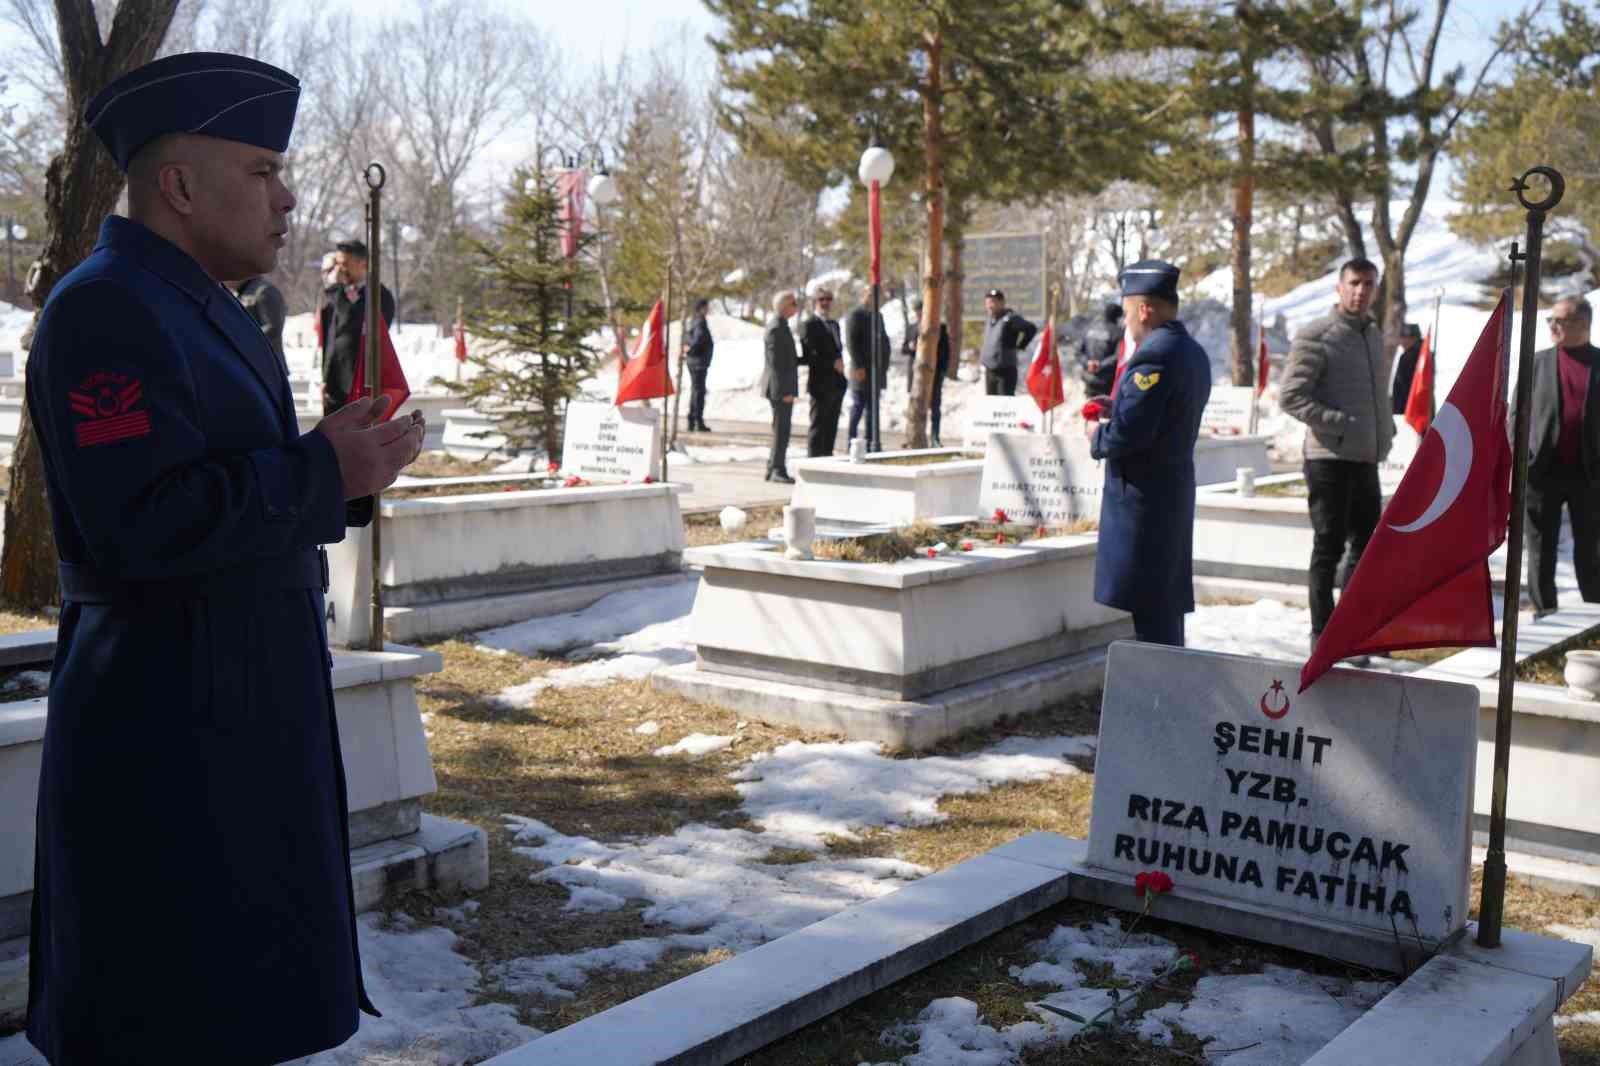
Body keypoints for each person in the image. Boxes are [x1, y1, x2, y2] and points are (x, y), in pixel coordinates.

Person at [25, 51, 426, 1066]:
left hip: (235, 705)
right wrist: (315, 474)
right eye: (261, 171)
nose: (287, 198)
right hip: (165, 725)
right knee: (170, 1007)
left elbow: (233, 476)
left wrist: (340, 460)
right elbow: (138, 523)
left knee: (235, 1003)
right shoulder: (105, 306)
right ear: (179, 183)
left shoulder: (208, 303)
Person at [1086, 260, 1211, 647]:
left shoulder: (1154, 355)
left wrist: (1097, 435)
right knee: (1163, 610)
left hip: (1145, 501)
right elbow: (1163, 414)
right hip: (1169, 494)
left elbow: (1131, 435)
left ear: (1143, 310)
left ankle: (1159, 701)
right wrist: (1118, 405)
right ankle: (1167, 695)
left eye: (1126, 313)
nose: (1126, 324)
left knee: (1151, 617)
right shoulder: (1190, 351)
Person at [1279, 257, 1393, 652]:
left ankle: (1355, 631)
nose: (1361, 291)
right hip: (1328, 458)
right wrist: (1339, 422)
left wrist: (1385, 430)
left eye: (1369, 284)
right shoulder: (1317, 335)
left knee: (1366, 549)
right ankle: (1322, 633)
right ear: (1339, 288)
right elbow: (1291, 397)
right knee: (1328, 547)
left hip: (1365, 458)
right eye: (1354, 283)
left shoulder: (1373, 335)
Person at [1521, 296, 1600, 616]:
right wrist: (1521, 456)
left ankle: (1594, 615)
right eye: (1550, 320)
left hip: (1590, 476)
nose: (1552, 326)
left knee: (1591, 550)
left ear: (1583, 324)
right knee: (1540, 549)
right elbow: (1517, 414)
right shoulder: (1537, 362)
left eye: (1560, 321)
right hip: (1542, 473)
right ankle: (1544, 612)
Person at [319, 238, 395, 414]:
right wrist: (325, 377)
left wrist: (339, 291)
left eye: (344, 263)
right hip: (334, 382)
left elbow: (355, 329)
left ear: (363, 263)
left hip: (360, 380)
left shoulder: (379, 295)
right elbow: (331, 337)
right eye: (337, 263)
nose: (340, 269)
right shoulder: (338, 293)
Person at [799, 287, 847, 456]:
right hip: (820, 384)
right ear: (815, 302)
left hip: (837, 384)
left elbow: (837, 350)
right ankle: (813, 461)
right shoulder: (809, 324)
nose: (826, 303)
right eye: (822, 300)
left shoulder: (834, 324)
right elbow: (810, 356)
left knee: (831, 426)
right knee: (818, 426)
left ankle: (828, 459)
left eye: (828, 299)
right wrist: (832, 363)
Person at [845, 283, 891, 444]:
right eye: (873, 295)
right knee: (858, 406)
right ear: (866, 295)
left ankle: (872, 441)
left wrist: (884, 367)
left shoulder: (878, 316)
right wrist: (859, 366)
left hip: (876, 371)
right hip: (862, 370)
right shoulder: (855, 314)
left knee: (873, 410)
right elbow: (852, 343)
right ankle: (851, 441)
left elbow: (884, 342)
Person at [761, 289, 800, 482]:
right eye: (793, 303)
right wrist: (784, 390)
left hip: (781, 387)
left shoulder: (782, 325)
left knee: (782, 429)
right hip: (779, 388)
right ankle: (777, 469)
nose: (796, 307)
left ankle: (773, 467)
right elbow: (776, 364)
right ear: (784, 306)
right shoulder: (776, 327)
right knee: (781, 430)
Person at [902, 297, 951, 446]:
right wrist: (910, 347)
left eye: (920, 311)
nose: (918, 315)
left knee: (935, 406)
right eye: (916, 312)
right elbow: (903, 349)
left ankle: (935, 437)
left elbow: (946, 352)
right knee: (915, 405)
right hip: (916, 374)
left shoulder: (939, 327)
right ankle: (913, 436)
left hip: (934, 373)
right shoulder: (911, 327)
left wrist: (942, 371)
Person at [978, 288, 1038, 396]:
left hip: (1005, 370)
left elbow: (1031, 328)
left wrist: (1021, 346)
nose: (990, 306)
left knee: (1004, 406)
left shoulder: (1010, 318)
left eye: (993, 302)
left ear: (1001, 303)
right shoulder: (990, 319)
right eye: (987, 303)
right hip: (990, 370)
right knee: (991, 405)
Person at [233, 275, 288, 370]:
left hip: (267, 366)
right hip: (249, 365)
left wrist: (241, 341)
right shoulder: (242, 293)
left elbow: (273, 328)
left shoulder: (265, 291)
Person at [1078, 302, 1124, 397]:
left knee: (1090, 408)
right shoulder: (1118, 332)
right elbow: (1119, 355)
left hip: (1089, 378)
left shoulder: (1090, 328)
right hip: (1106, 382)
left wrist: (1088, 363)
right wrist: (1099, 365)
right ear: (1118, 317)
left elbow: (1078, 352)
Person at [684, 298, 714, 432]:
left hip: (695, 361)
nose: (708, 310)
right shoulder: (700, 322)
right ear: (701, 308)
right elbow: (697, 339)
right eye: (706, 307)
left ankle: (693, 419)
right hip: (698, 363)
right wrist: (692, 350)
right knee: (698, 392)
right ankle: (697, 420)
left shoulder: (694, 321)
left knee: (696, 391)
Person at [1390, 322, 1424, 415]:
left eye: (1408, 338)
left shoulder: (1410, 356)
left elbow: (1406, 386)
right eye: (1402, 338)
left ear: (1415, 338)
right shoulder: (1422, 354)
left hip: (1409, 410)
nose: (1403, 341)